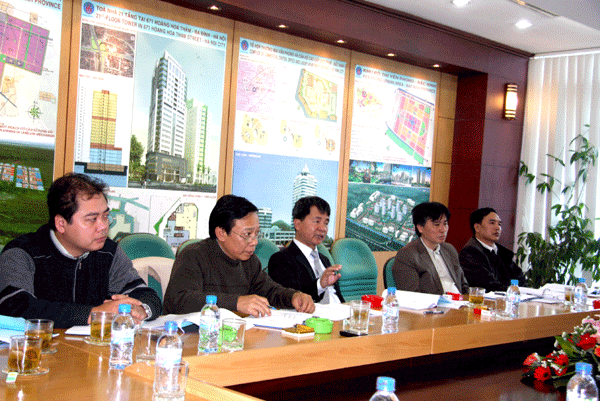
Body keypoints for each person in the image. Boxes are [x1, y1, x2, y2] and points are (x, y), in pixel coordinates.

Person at [0, 173, 161, 328]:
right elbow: (14, 305)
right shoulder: (23, 252)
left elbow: (145, 294)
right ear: (61, 224)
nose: (103, 226)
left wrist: (140, 309)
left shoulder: (108, 252)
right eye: (92, 219)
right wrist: (93, 314)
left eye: (105, 216)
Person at [163, 194, 315, 317]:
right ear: (221, 233)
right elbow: (180, 300)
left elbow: (270, 291)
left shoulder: (250, 262)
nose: (254, 242)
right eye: (247, 234)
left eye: (257, 233)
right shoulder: (193, 255)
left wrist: (294, 296)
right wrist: (236, 302)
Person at [268, 196, 344, 304]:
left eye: (326, 223)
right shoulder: (280, 260)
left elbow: (337, 297)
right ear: (298, 224)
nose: (323, 228)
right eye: (317, 221)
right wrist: (320, 285)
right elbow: (290, 297)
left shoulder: (324, 259)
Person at [392, 201, 469, 295]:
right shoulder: (407, 255)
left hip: (460, 302)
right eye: (436, 225)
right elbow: (412, 295)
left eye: (445, 224)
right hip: (434, 303)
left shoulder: (449, 250)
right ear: (420, 228)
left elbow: (463, 286)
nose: (443, 229)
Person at [459, 207, 524, 292]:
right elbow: (489, 285)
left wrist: (512, 287)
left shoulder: (503, 253)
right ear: (477, 227)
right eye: (492, 223)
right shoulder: (469, 253)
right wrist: (512, 286)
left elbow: (521, 278)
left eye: (499, 224)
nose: (497, 228)